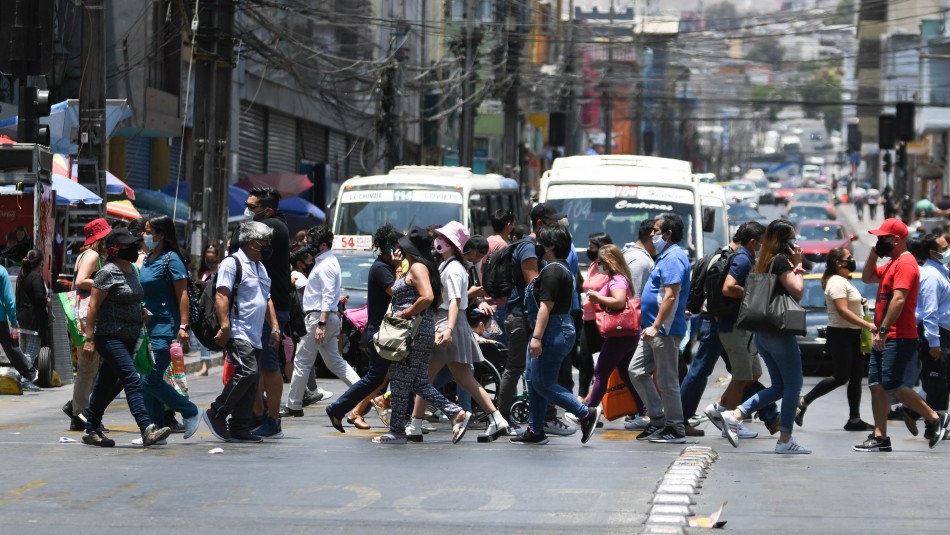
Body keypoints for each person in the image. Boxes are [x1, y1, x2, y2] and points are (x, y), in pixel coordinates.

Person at [852, 219, 950, 451]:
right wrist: (874, 254)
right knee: (876, 384)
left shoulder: (906, 263)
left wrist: (884, 330)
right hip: (883, 334)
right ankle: (880, 437)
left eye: (882, 238)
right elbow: (867, 277)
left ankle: (935, 418)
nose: (879, 241)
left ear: (895, 240)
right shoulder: (893, 263)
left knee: (892, 383)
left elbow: (899, 299)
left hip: (897, 334)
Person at [411, 221, 510, 442]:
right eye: (440, 238)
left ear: (454, 245)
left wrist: (448, 329)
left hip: (448, 324)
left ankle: (415, 424)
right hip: (449, 323)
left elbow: (455, 301)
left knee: (426, 378)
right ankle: (496, 418)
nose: (439, 242)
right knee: (461, 377)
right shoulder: (449, 265)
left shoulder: (453, 268)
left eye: (445, 239)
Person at [718, 220, 810, 453]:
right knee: (794, 385)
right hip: (779, 332)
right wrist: (797, 266)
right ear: (782, 241)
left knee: (779, 386)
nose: (795, 243)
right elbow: (797, 291)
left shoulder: (762, 261)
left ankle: (736, 414)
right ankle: (785, 440)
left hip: (763, 333)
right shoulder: (780, 262)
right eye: (791, 239)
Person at [372, 226, 470, 444]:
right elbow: (408, 291)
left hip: (413, 331)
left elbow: (426, 296)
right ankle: (454, 412)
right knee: (416, 382)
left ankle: (398, 430)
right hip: (418, 330)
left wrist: (405, 313)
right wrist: (398, 269)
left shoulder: (417, 268)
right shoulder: (418, 267)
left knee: (400, 380)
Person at [79, 228, 173, 448]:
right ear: (115, 249)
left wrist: (141, 313)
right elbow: (93, 307)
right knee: (131, 379)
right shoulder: (107, 272)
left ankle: (91, 429)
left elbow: (133, 298)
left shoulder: (132, 270)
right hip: (109, 336)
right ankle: (146, 428)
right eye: (129, 246)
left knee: (105, 384)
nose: (134, 248)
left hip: (131, 336)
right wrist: (90, 338)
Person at [509, 224, 600, 445]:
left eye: (540, 242)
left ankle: (585, 413)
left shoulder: (553, 271)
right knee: (533, 381)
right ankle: (535, 430)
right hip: (550, 329)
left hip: (552, 330)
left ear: (550, 246)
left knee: (544, 383)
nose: (537, 246)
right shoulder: (553, 268)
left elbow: (545, 307)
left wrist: (537, 337)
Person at [202, 222, 282, 443]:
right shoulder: (232, 263)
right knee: (248, 371)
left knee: (253, 378)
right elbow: (222, 295)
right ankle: (217, 411)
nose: (267, 245)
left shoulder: (260, 267)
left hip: (255, 332)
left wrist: (274, 326)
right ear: (251, 242)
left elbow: (266, 299)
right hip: (238, 330)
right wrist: (225, 326)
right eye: (264, 241)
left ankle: (239, 426)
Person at [326, 224, 400, 431]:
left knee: (382, 377)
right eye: (397, 247)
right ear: (389, 249)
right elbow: (397, 292)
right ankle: (338, 408)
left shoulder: (384, 267)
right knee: (375, 377)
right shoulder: (382, 269)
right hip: (379, 332)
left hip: (385, 331)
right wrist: (400, 267)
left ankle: (349, 410)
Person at [282, 225, 359, 418]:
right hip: (324, 318)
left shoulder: (325, 265)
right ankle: (366, 394)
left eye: (311, 242)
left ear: (323, 245)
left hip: (319, 318)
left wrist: (321, 324)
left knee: (301, 361)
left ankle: (294, 405)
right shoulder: (326, 262)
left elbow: (327, 296)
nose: (307, 245)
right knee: (335, 363)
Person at [137, 216, 202, 444]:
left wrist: (184, 326)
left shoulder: (171, 259)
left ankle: (190, 410)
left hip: (167, 328)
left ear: (161, 234)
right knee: (147, 380)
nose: (144, 235)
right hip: (148, 329)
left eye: (148, 231)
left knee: (150, 380)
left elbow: (182, 294)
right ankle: (156, 431)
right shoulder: (147, 259)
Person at [795, 248, 876, 431]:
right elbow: (842, 310)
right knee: (841, 377)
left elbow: (848, 306)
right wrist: (867, 325)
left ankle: (854, 419)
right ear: (839, 263)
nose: (852, 260)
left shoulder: (843, 281)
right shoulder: (836, 282)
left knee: (856, 377)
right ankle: (803, 401)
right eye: (849, 258)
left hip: (852, 333)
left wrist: (861, 304)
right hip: (841, 334)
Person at [629, 213, 692, 444]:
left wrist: (656, 325)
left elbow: (670, 295)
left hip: (663, 329)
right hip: (652, 328)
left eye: (656, 231)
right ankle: (657, 419)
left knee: (667, 381)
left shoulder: (673, 257)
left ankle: (675, 428)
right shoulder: (664, 256)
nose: (652, 234)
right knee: (636, 371)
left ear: (668, 234)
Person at [704, 222, 770, 441]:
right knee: (742, 375)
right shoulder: (742, 258)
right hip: (732, 325)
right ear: (753, 242)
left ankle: (719, 408)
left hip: (741, 327)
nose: (764, 245)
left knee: (752, 374)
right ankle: (731, 423)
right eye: (762, 241)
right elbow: (729, 287)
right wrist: (754, 294)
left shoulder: (745, 257)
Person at [244, 186, 291, 436]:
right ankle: (257, 413)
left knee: (269, 365)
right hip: (260, 305)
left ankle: (272, 419)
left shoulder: (274, 227)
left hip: (271, 307)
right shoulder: (276, 224)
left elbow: (239, 241)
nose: (247, 211)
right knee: (257, 364)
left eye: (252, 207)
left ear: (268, 210)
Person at [582, 244, 638, 432]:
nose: (599, 265)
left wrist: (598, 298)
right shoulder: (618, 278)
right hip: (625, 334)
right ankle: (644, 411)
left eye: (601, 262)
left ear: (610, 262)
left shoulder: (617, 280)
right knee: (624, 373)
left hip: (620, 334)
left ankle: (587, 412)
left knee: (600, 372)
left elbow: (619, 301)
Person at [63, 218, 112, 431]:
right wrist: (108, 282)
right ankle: (79, 413)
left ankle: (80, 410)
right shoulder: (92, 255)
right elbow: (81, 281)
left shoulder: (87, 254)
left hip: (86, 318)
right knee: (87, 367)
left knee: (90, 367)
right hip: (86, 318)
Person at [903, 235, 950, 426]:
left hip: (944, 333)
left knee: (942, 381)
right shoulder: (931, 275)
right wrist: (934, 343)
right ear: (933, 252)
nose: (948, 250)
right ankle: (934, 427)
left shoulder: (942, 271)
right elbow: (930, 312)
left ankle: (911, 411)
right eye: (945, 247)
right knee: (937, 382)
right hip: (937, 333)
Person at [621, 220, 656, 431]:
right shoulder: (640, 260)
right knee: (633, 369)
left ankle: (642, 410)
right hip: (635, 324)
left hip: (637, 324)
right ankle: (645, 411)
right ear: (652, 235)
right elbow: (633, 297)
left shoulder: (635, 256)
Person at [578, 232, 613, 402]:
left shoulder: (610, 268)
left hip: (603, 319)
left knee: (602, 361)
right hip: (588, 319)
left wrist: (598, 296)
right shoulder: (593, 265)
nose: (588, 250)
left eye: (592, 247)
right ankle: (582, 395)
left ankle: (597, 398)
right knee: (584, 359)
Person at [482, 208, 515, 345]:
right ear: (508, 225)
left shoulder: (488, 241)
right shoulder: (502, 245)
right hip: (500, 306)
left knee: (492, 345)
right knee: (503, 347)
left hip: (487, 304)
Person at [195, 245, 222, 377]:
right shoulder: (203, 272)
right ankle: (205, 365)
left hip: (219, 308)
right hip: (206, 309)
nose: (210, 261)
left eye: (212, 259)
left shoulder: (222, 268)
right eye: (207, 259)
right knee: (204, 335)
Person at [15, 249, 50, 348]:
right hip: (33, 320)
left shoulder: (22, 276)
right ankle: (26, 365)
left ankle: (20, 364)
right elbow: (39, 297)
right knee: (32, 352)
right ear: (40, 263)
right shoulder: (35, 276)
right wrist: (47, 301)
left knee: (23, 351)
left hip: (22, 319)